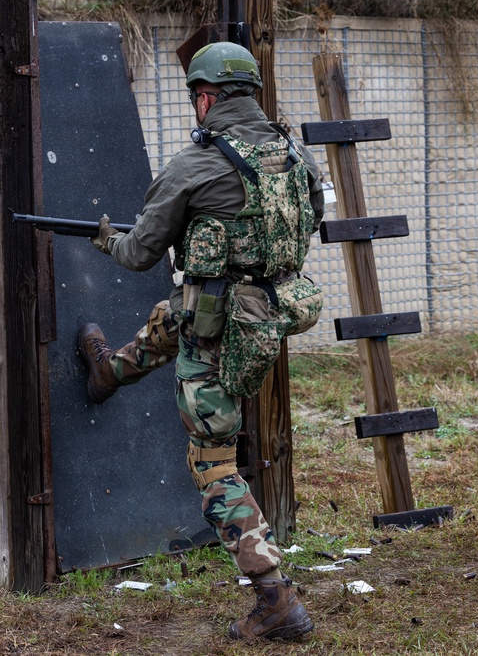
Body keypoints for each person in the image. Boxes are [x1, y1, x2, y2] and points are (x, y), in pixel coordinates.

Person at [79, 41, 325, 640]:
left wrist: (108, 239)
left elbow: (139, 253)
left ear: (206, 98)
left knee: (213, 458)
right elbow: (309, 217)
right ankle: (111, 371)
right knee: (177, 315)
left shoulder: (195, 165)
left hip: (223, 327)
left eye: (196, 97)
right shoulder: (295, 156)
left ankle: (273, 598)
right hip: (272, 310)